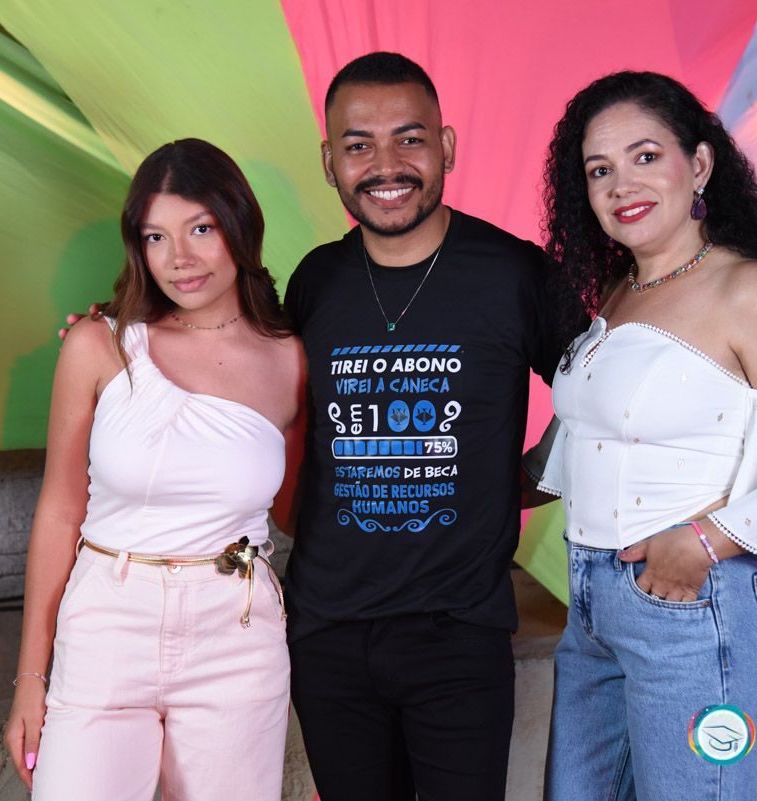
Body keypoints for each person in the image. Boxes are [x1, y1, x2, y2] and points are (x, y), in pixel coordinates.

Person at [533, 71, 757, 800]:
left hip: (695, 608)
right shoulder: (620, 292)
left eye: (645, 156)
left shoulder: (753, 293)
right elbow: (600, 436)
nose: (621, 185)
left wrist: (705, 541)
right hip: (594, 603)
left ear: (698, 164)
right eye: (599, 170)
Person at [282, 52, 564, 801]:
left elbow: (607, 389)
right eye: (359, 145)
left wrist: (538, 476)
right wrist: (122, 339)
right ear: (330, 162)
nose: (386, 165)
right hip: (328, 631)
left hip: (458, 632)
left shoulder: (512, 273)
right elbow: (241, 383)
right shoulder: (315, 281)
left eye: (409, 138)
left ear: (446, 147)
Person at [3, 138, 305, 801]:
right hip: (107, 621)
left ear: (239, 225)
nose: (180, 258)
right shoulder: (99, 344)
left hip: (237, 631)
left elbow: (294, 513)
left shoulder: (291, 359)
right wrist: (30, 678)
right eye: (156, 236)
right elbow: (59, 510)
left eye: (201, 228)